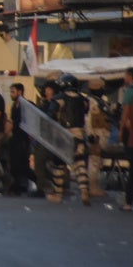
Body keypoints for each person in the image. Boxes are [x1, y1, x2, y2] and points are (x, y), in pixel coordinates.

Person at [46, 73, 91, 206]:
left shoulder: (59, 98)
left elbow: (51, 113)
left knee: (59, 165)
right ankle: (84, 190)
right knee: (80, 164)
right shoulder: (84, 100)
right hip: (79, 134)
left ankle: (58, 194)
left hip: (63, 134)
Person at [5, 83, 36, 195]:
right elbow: (13, 122)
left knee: (23, 165)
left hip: (24, 139)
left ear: (20, 92)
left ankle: (41, 184)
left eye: (13, 92)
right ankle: (17, 185)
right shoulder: (14, 105)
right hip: (16, 138)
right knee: (14, 164)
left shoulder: (26, 105)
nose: (11, 94)